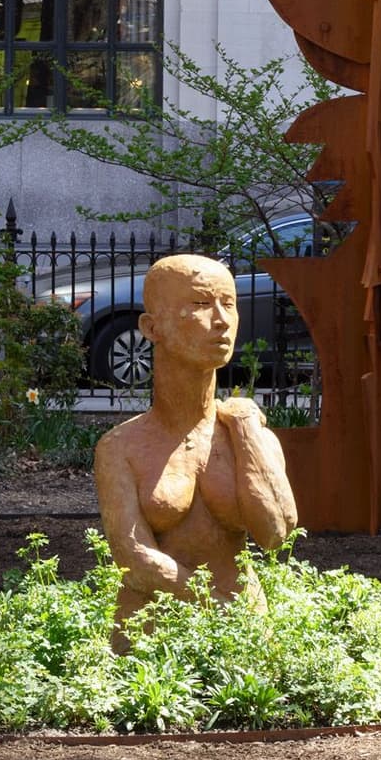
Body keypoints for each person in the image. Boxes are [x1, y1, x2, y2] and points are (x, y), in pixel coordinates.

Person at [90, 254, 299, 625]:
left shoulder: (247, 432)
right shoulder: (120, 448)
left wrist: (246, 428)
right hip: (153, 637)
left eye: (229, 304)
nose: (221, 320)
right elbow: (135, 560)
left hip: (243, 636)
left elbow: (275, 534)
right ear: (151, 327)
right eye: (201, 303)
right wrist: (219, 611)